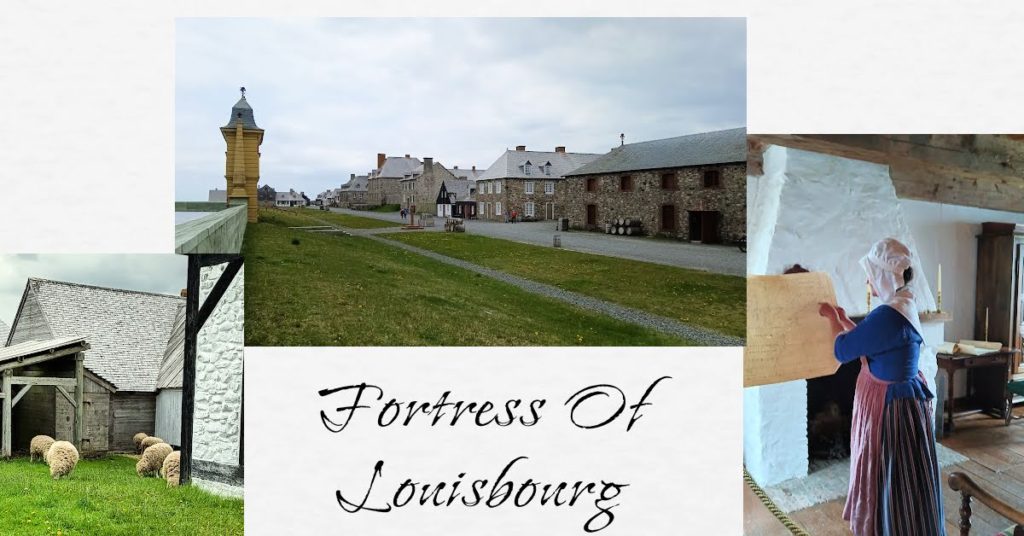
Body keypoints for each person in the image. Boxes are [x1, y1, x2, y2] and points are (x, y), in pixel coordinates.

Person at [818, 238, 945, 535]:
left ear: (886, 275)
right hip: (904, 401)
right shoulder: (902, 305)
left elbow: (842, 350)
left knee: (889, 474)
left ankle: (892, 527)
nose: (868, 279)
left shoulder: (889, 316)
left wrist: (829, 319)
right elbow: (873, 342)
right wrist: (844, 319)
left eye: (872, 272)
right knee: (906, 477)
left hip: (891, 409)